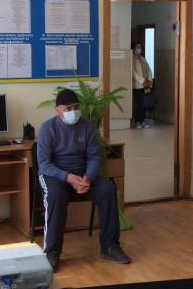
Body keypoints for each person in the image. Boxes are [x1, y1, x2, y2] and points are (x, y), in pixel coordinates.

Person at [37, 89, 130, 271]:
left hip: (82, 175)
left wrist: (88, 177)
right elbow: (44, 164)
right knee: (55, 196)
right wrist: (68, 177)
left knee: (108, 190)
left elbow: (94, 157)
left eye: (76, 107)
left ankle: (110, 246)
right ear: (57, 110)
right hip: (55, 176)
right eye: (68, 108)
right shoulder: (48, 128)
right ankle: (52, 251)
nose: (73, 112)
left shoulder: (87, 126)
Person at [131, 41, 153, 129]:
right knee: (141, 104)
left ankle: (142, 121)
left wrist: (150, 80)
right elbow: (133, 73)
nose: (139, 49)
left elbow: (149, 69)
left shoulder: (143, 58)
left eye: (140, 47)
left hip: (146, 85)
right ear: (133, 48)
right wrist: (143, 81)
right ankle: (137, 122)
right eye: (137, 47)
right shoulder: (131, 58)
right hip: (138, 85)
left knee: (145, 104)